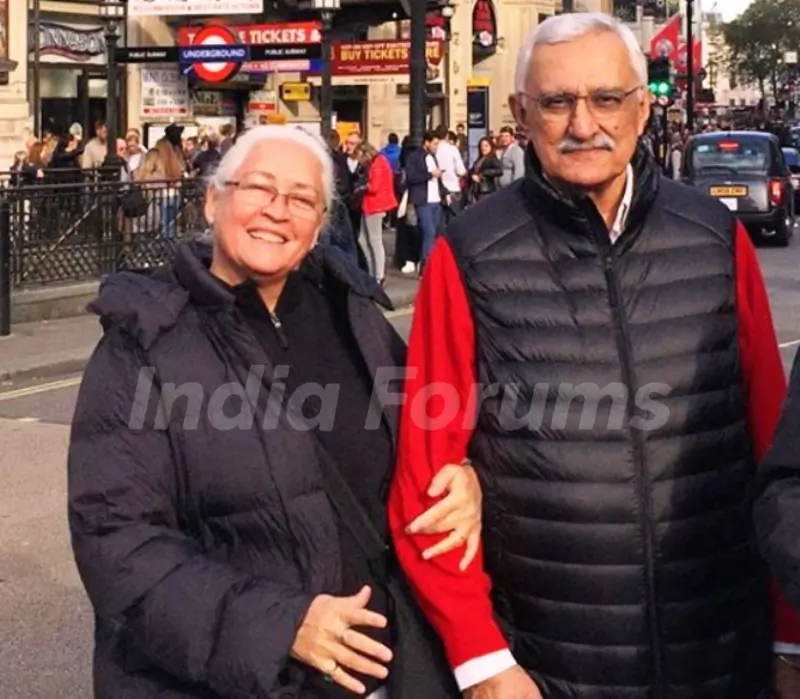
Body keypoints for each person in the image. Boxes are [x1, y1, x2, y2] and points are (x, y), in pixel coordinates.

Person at [388, 13, 800, 699]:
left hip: (725, 652)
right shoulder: (467, 254)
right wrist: (481, 658)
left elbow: (776, 457)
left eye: (607, 98)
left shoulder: (716, 238)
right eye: (557, 102)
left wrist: (789, 632)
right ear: (521, 114)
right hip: (548, 663)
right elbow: (426, 482)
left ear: (642, 108)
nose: (584, 124)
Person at [68, 125, 484, 699]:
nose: (276, 211)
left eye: (300, 199)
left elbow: (428, 434)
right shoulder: (142, 341)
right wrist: (281, 627)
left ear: (319, 226)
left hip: (391, 669)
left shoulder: (354, 314)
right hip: (235, 681)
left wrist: (465, 476)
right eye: (258, 188)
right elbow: (117, 542)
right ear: (214, 200)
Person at [356, 142, 397, 284]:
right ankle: (372, 271)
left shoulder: (378, 164)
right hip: (372, 205)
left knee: (374, 240)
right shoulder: (379, 162)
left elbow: (374, 187)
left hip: (375, 206)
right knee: (363, 239)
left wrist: (364, 185)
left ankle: (378, 274)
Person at [467, 137, 503, 203]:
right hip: (477, 190)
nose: (483, 148)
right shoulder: (480, 159)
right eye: (481, 146)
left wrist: (482, 174)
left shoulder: (492, 159)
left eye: (486, 146)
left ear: (491, 147)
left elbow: (499, 171)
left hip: (486, 190)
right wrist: (472, 175)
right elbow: (472, 170)